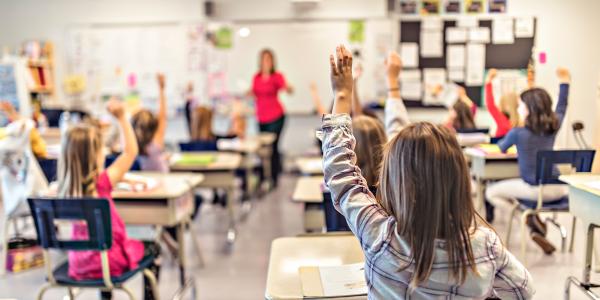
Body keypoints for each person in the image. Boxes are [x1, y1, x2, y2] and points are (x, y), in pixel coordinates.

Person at [322, 45, 533, 298]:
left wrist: (342, 95)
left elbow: (342, 177)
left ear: (394, 178)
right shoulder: (484, 246)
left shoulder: (380, 236)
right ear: (458, 179)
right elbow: (523, 293)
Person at [58, 99, 159, 300]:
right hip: (109, 263)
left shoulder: (63, 190)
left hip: (78, 263)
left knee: (100, 251)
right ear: (95, 155)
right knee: (153, 247)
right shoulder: (102, 182)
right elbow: (131, 152)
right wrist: (122, 118)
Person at [485, 68, 571, 255]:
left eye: (521, 105)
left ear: (529, 109)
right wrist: (565, 82)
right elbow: (562, 106)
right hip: (560, 189)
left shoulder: (518, 133)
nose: (518, 109)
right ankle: (532, 220)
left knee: (491, 192)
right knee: (518, 191)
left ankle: (528, 222)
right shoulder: (553, 127)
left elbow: (500, 148)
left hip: (535, 189)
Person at [249, 49, 293, 187]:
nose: (266, 62)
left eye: (269, 59)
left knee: (273, 147)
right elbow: (254, 93)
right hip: (261, 117)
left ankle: (274, 178)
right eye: (264, 59)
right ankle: (262, 177)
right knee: (262, 148)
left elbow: (287, 88)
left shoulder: (277, 76)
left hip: (276, 116)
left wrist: (288, 87)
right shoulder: (256, 77)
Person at [131, 73, 169, 173]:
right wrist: (161, 89)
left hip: (146, 180)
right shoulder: (157, 140)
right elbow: (162, 115)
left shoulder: (134, 144)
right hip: (163, 179)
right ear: (154, 125)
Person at [485, 69, 520, 138]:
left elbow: (490, 104)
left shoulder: (502, 119)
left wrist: (488, 81)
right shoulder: (520, 120)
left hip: (501, 148)